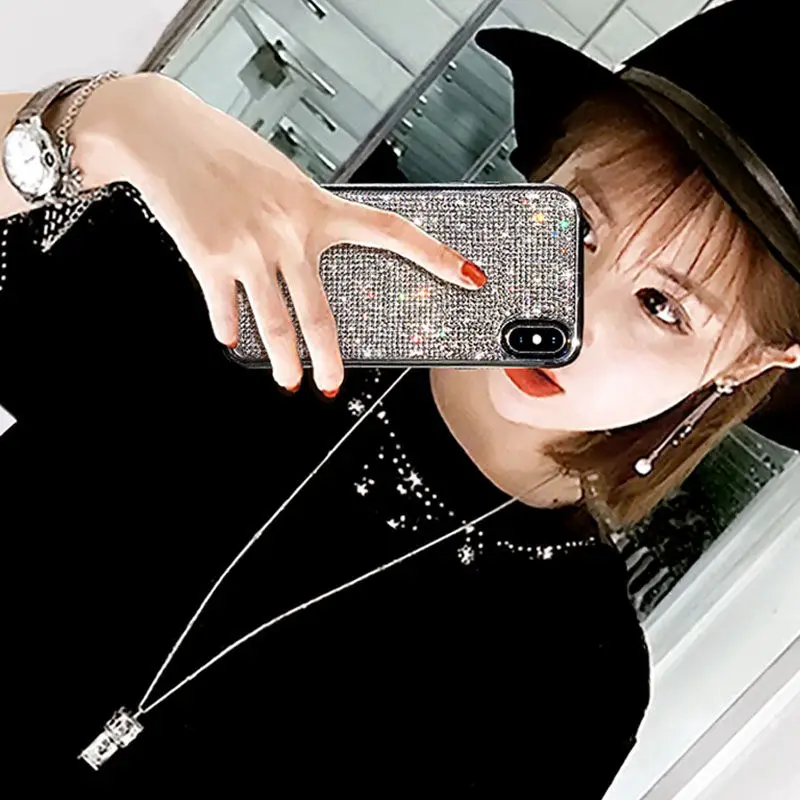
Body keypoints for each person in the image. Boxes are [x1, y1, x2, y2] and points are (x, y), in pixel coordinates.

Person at [0, 0, 796, 793]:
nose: (564, 315)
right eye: (578, 225)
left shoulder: (570, 686)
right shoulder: (265, 298)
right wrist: (113, 121)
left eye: (663, 306)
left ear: (752, 362)